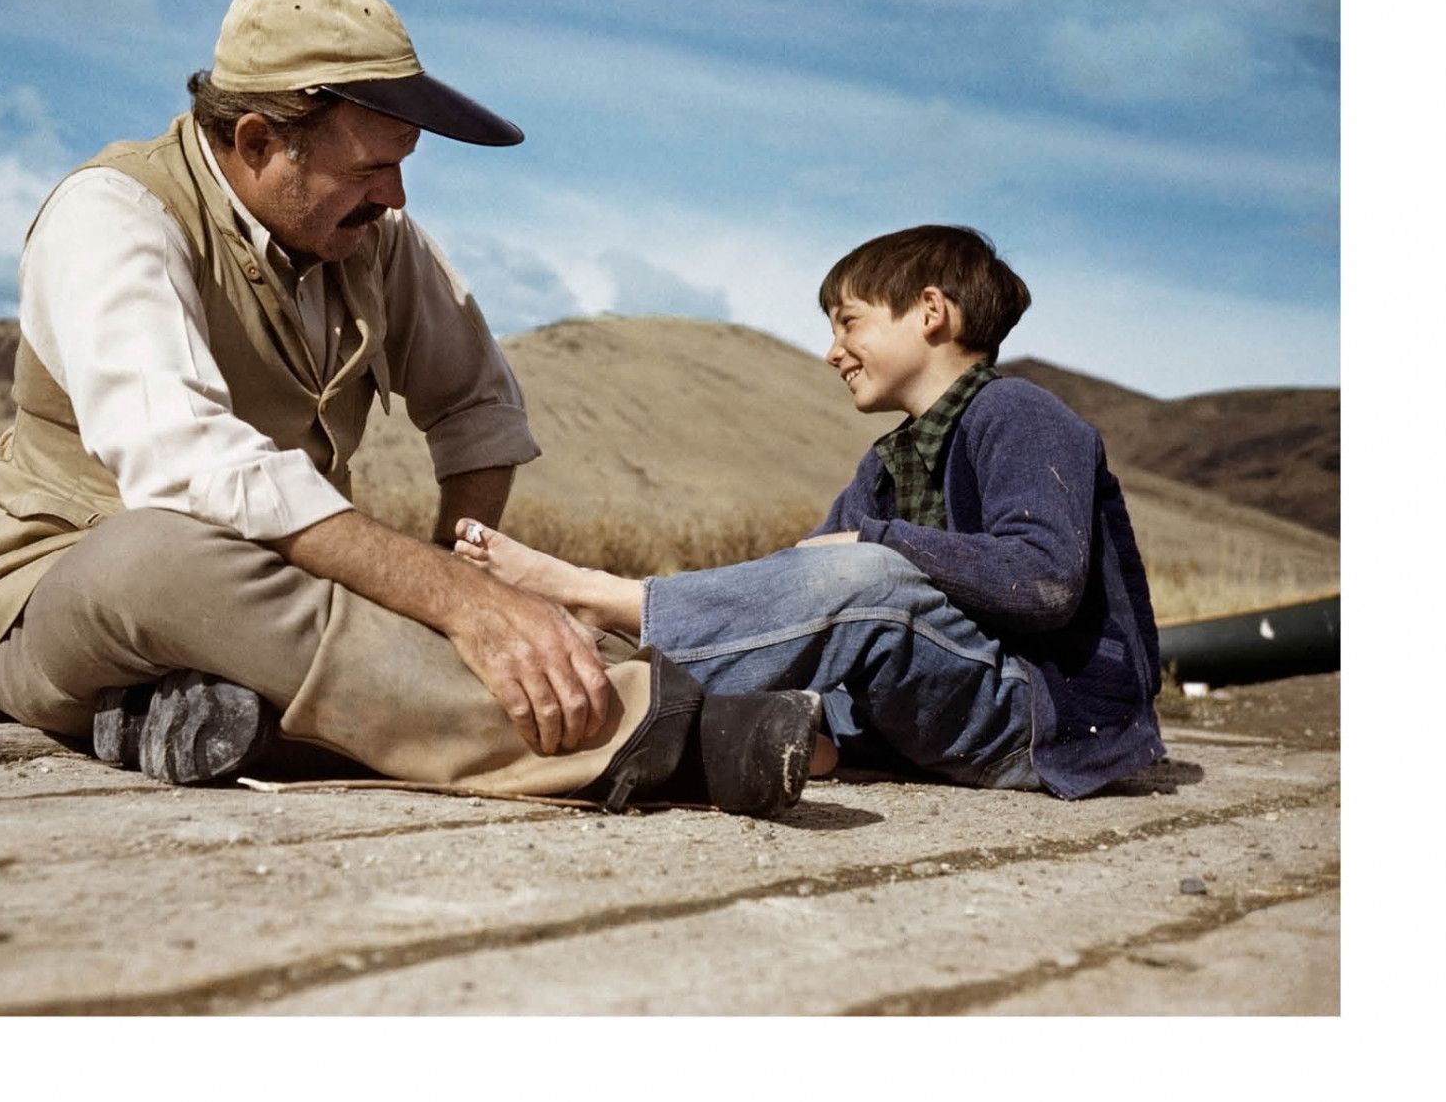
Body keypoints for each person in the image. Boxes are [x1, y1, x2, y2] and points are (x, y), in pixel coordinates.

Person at [0, 0, 820, 817]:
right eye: (369, 168)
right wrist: (452, 605)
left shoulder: (374, 236)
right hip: (65, 599)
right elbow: (184, 459)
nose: (393, 196)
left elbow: (477, 409)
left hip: (289, 602)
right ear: (259, 141)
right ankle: (646, 738)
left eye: (402, 165)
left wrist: (471, 584)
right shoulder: (113, 212)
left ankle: (219, 722)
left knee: (460, 620)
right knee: (156, 556)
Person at [456, 225, 1166, 799]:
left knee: (864, 572)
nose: (832, 353)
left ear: (930, 312)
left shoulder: (1018, 413)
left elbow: (1044, 581)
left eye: (848, 322)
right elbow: (799, 592)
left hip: (1046, 719)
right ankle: (587, 678)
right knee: (826, 587)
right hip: (922, 707)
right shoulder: (888, 463)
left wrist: (878, 545)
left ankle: (600, 596)